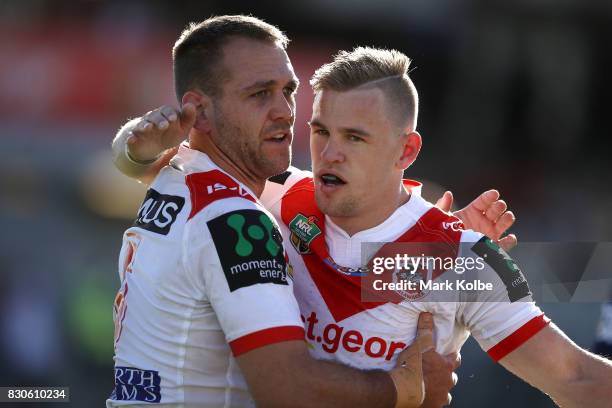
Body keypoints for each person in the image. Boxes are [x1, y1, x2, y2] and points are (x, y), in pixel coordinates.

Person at [115, 42, 612, 407]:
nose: (330, 153)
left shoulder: (463, 258)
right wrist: (129, 150)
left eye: (355, 138)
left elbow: (575, 379)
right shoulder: (286, 196)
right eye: (321, 131)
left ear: (407, 151)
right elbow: (175, 176)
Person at [107, 16, 465, 408]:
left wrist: (436, 228)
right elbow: (289, 391)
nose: (285, 111)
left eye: (288, 91)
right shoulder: (237, 220)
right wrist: (407, 389)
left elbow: (135, 156)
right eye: (260, 94)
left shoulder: (178, 175)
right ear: (200, 113)